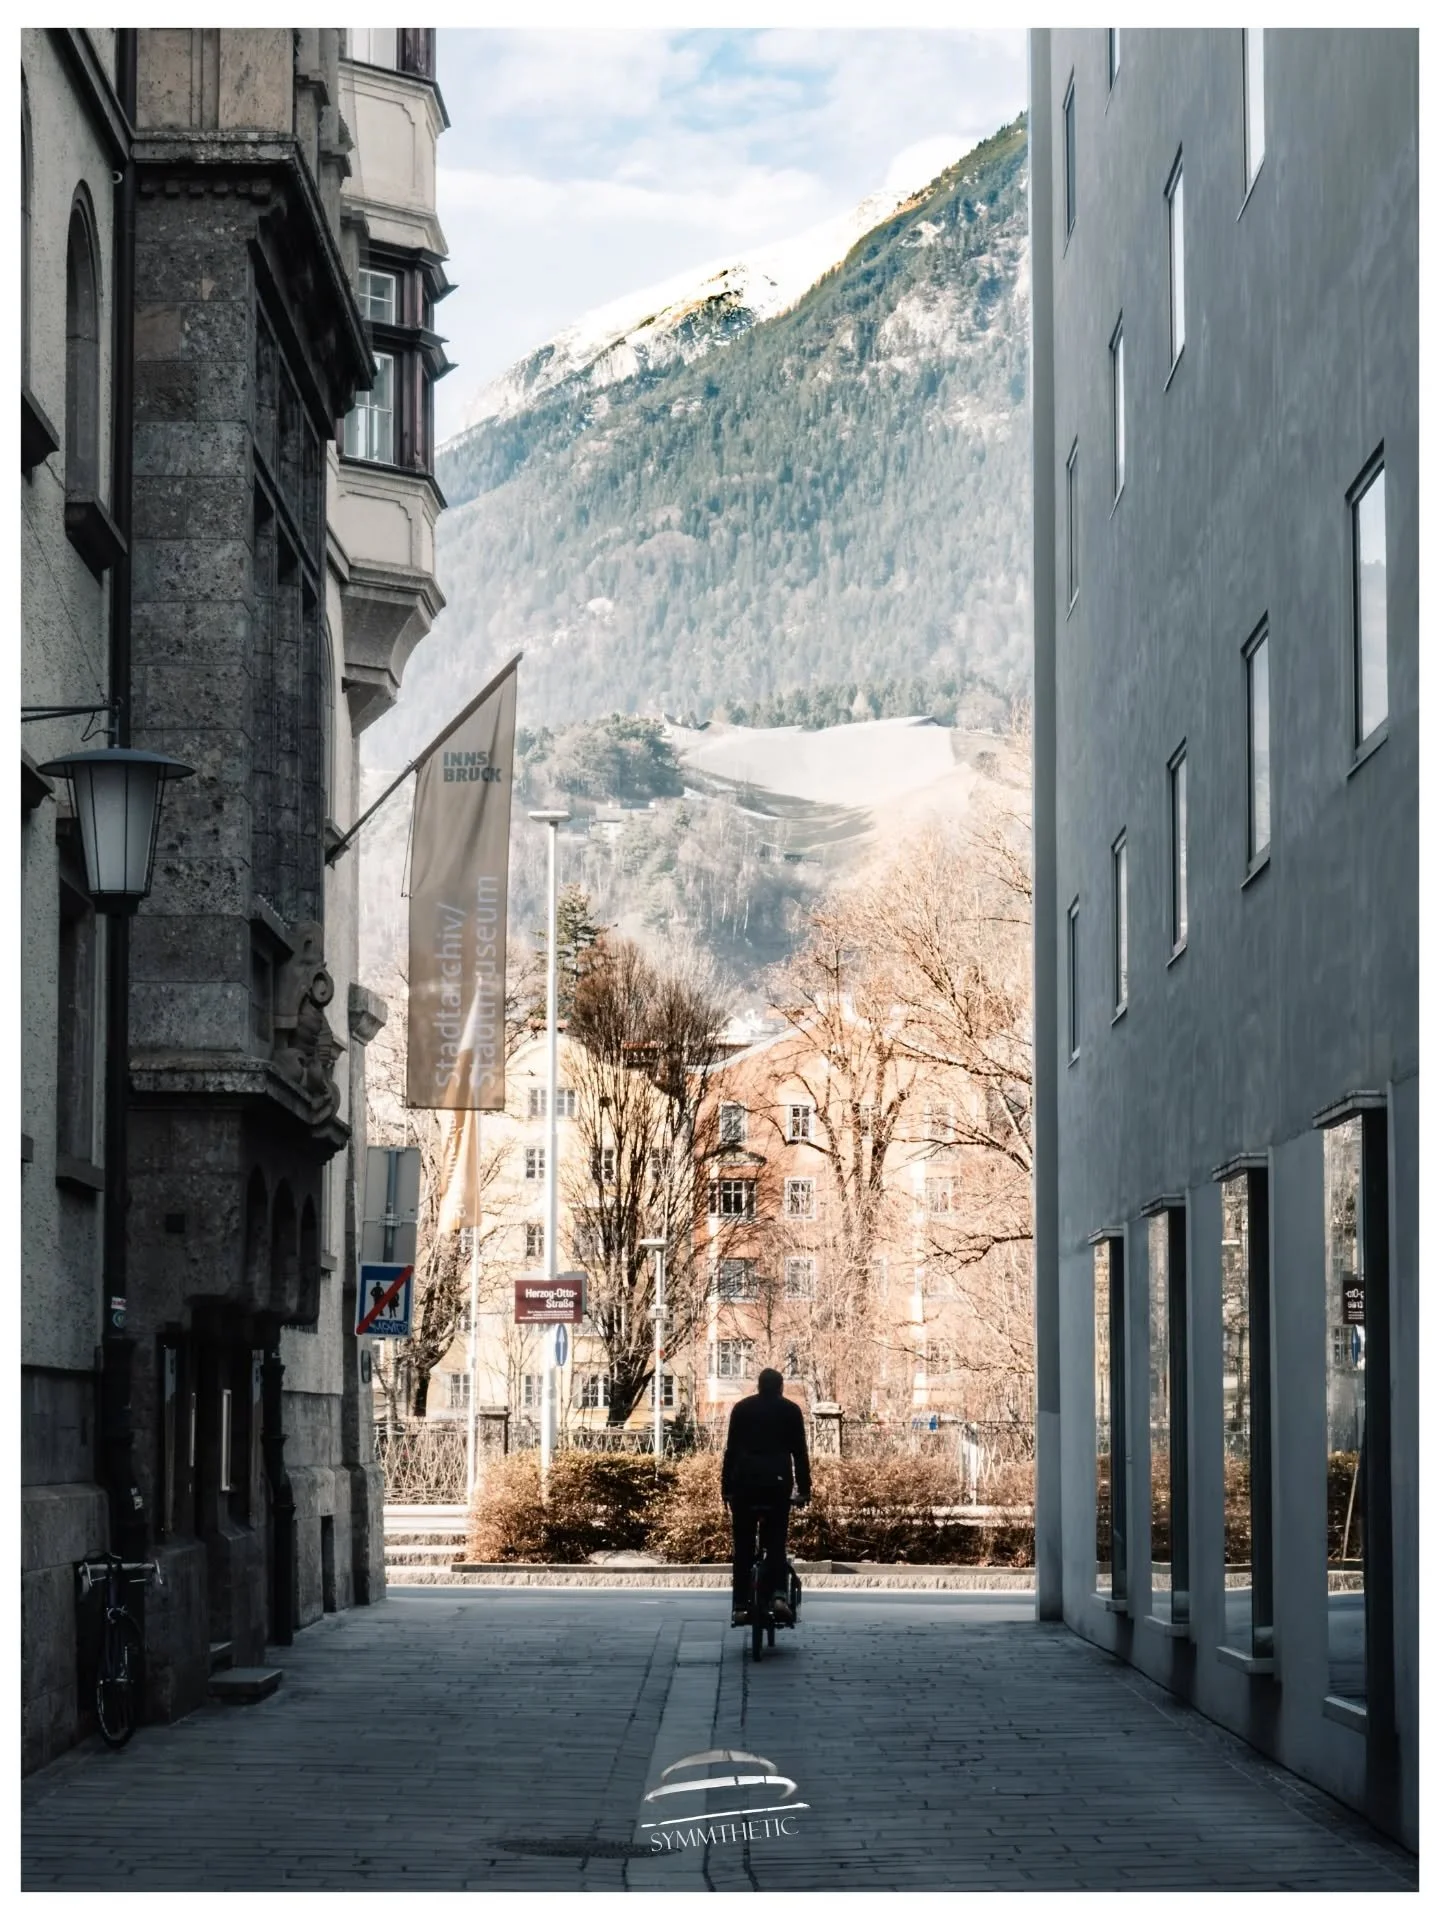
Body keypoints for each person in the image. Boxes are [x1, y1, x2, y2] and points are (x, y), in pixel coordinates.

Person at [722, 1367, 811, 1627]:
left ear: (759, 1386)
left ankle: (740, 1605)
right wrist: (804, 1490)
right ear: (781, 1387)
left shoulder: (741, 1409)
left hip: (745, 1485)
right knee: (775, 1542)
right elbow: (800, 1455)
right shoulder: (791, 1411)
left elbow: (731, 1452)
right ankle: (778, 1597)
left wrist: (726, 1488)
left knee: (743, 1547)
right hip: (777, 1484)